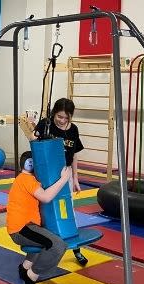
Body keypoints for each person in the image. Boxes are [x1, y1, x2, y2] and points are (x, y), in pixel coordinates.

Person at [7, 151, 71, 284]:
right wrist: (64, 179)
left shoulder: (23, 178)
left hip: (25, 226)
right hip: (21, 229)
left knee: (42, 241)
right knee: (58, 246)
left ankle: (24, 268)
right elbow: (46, 197)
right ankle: (31, 275)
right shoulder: (27, 180)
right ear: (31, 164)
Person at [34, 98, 87, 265]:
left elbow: (74, 155)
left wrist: (76, 179)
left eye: (66, 117)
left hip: (65, 175)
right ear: (54, 113)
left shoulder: (74, 130)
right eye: (59, 116)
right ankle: (42, 247)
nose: (62, 120)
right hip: (46, 174)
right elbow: (34, 142)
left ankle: (76, 248)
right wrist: (34, 132)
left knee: (67, 209)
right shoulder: (46, 124)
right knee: (43, 209)